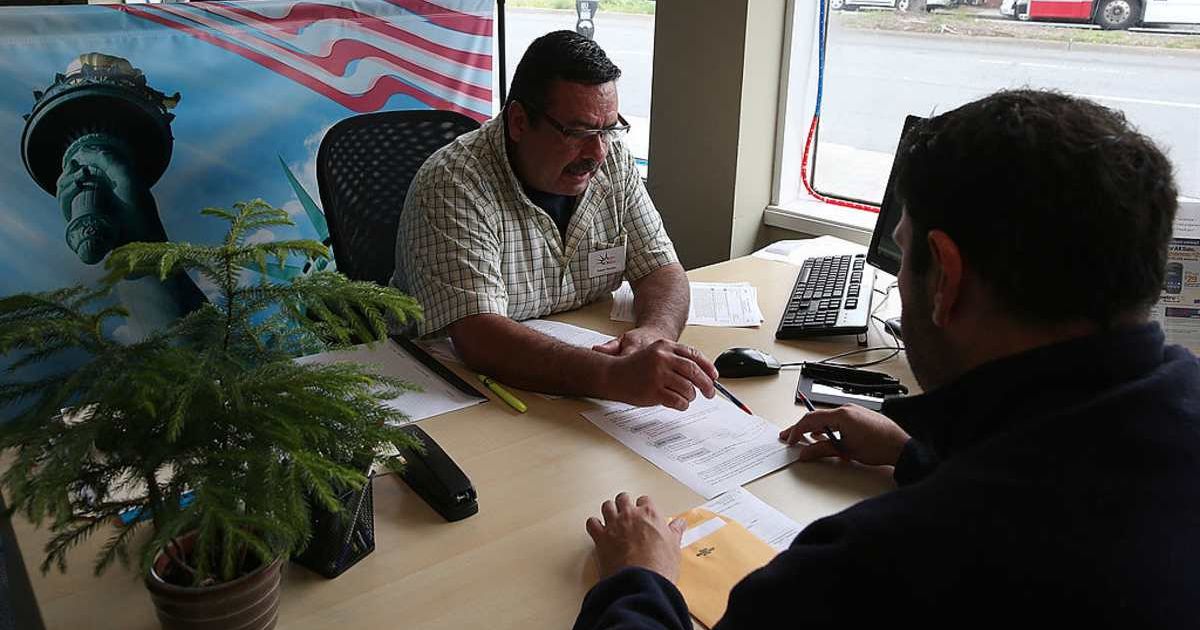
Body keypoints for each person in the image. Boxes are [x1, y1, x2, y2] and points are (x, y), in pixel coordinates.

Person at [573, 89, 1200, 628]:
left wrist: (640, 576)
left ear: (946, 278)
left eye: (904, 259)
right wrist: (912, 454)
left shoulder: (880, 567)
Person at [393, 30, 716, 410]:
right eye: (577, 132)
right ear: (518, 122)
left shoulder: (612, 160)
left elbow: (662, 269)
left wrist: (654, 333)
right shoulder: (454, 182)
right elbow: (478, 336)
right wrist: (612, 376)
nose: (597, 152)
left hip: (561, 376)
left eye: (607, 130)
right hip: (450, 391)